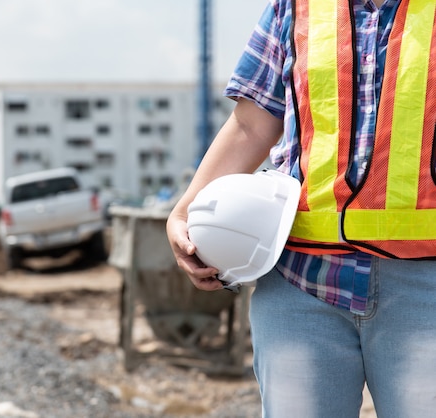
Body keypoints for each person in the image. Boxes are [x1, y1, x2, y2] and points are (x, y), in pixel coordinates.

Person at [166, 0, 436, 417]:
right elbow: (252, 124)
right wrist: (186, 210)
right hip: (302, 285)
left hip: (426, 289)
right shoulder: (293, 8)